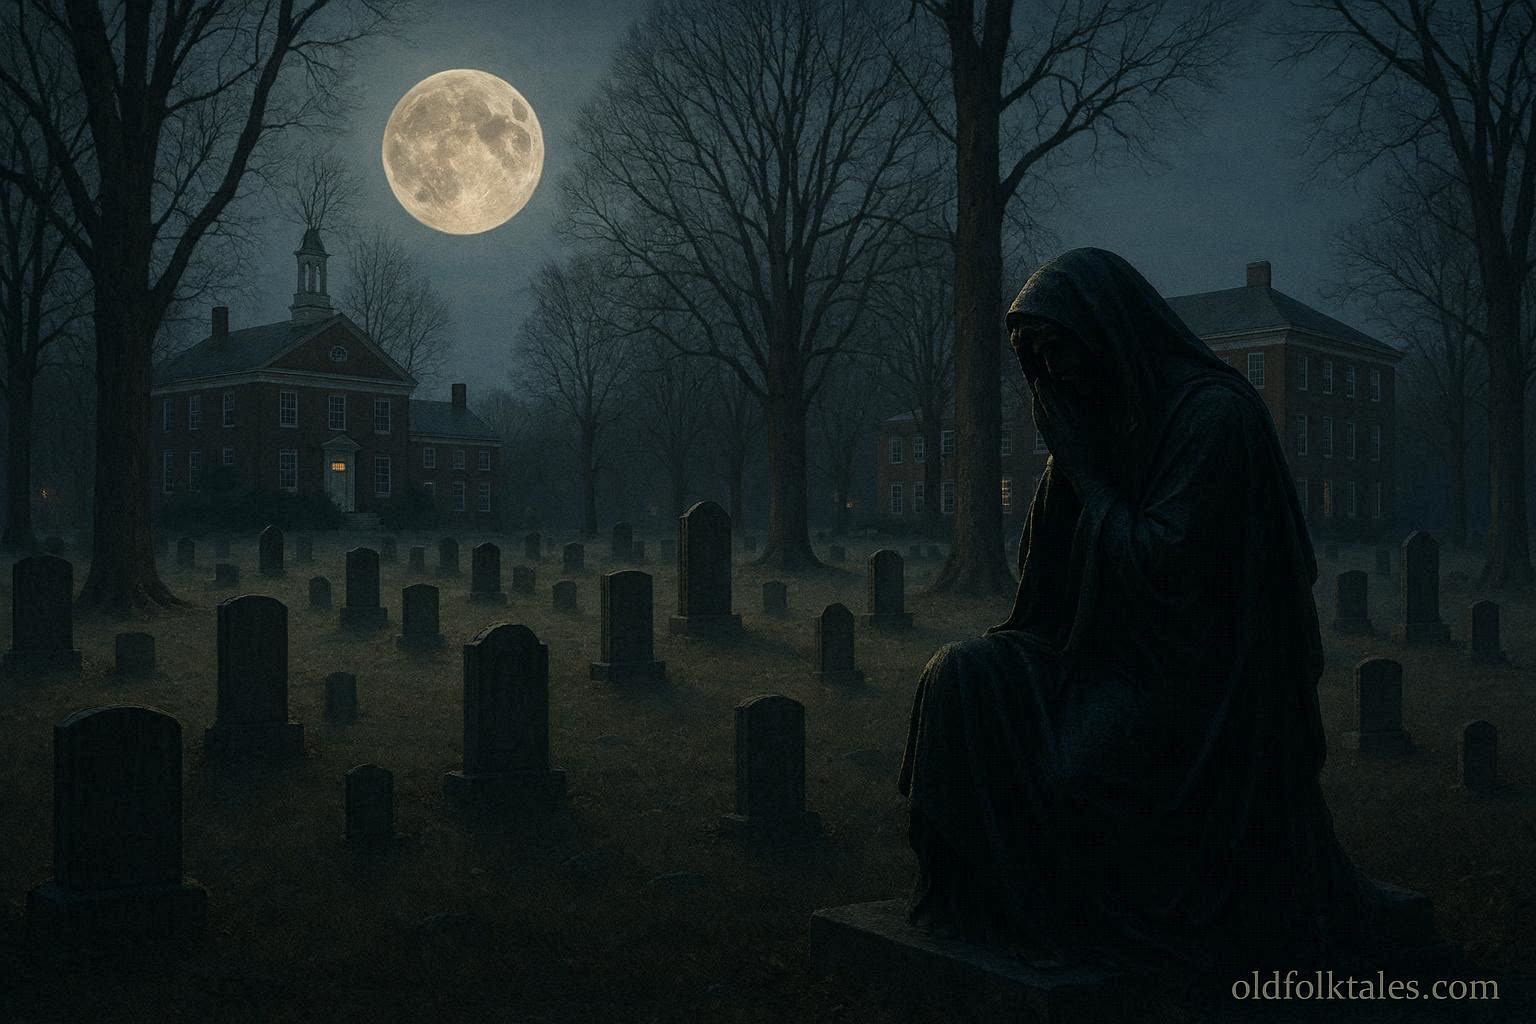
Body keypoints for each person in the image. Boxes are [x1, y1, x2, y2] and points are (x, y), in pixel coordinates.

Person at [897, 247, 1399, 978]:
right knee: (959, 678)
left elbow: (1167, 567)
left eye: (1058, 351)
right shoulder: (1098, 419)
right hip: (1092, 653)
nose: (1051, 374)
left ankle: (1073, 924)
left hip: (1198, 683)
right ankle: (979, 903)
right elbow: (1047, 592)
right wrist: (1065, 473)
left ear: (1106, 329)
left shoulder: (1215, 416)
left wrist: (1089, 476)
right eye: (1033, 360)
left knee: (1071, 778)